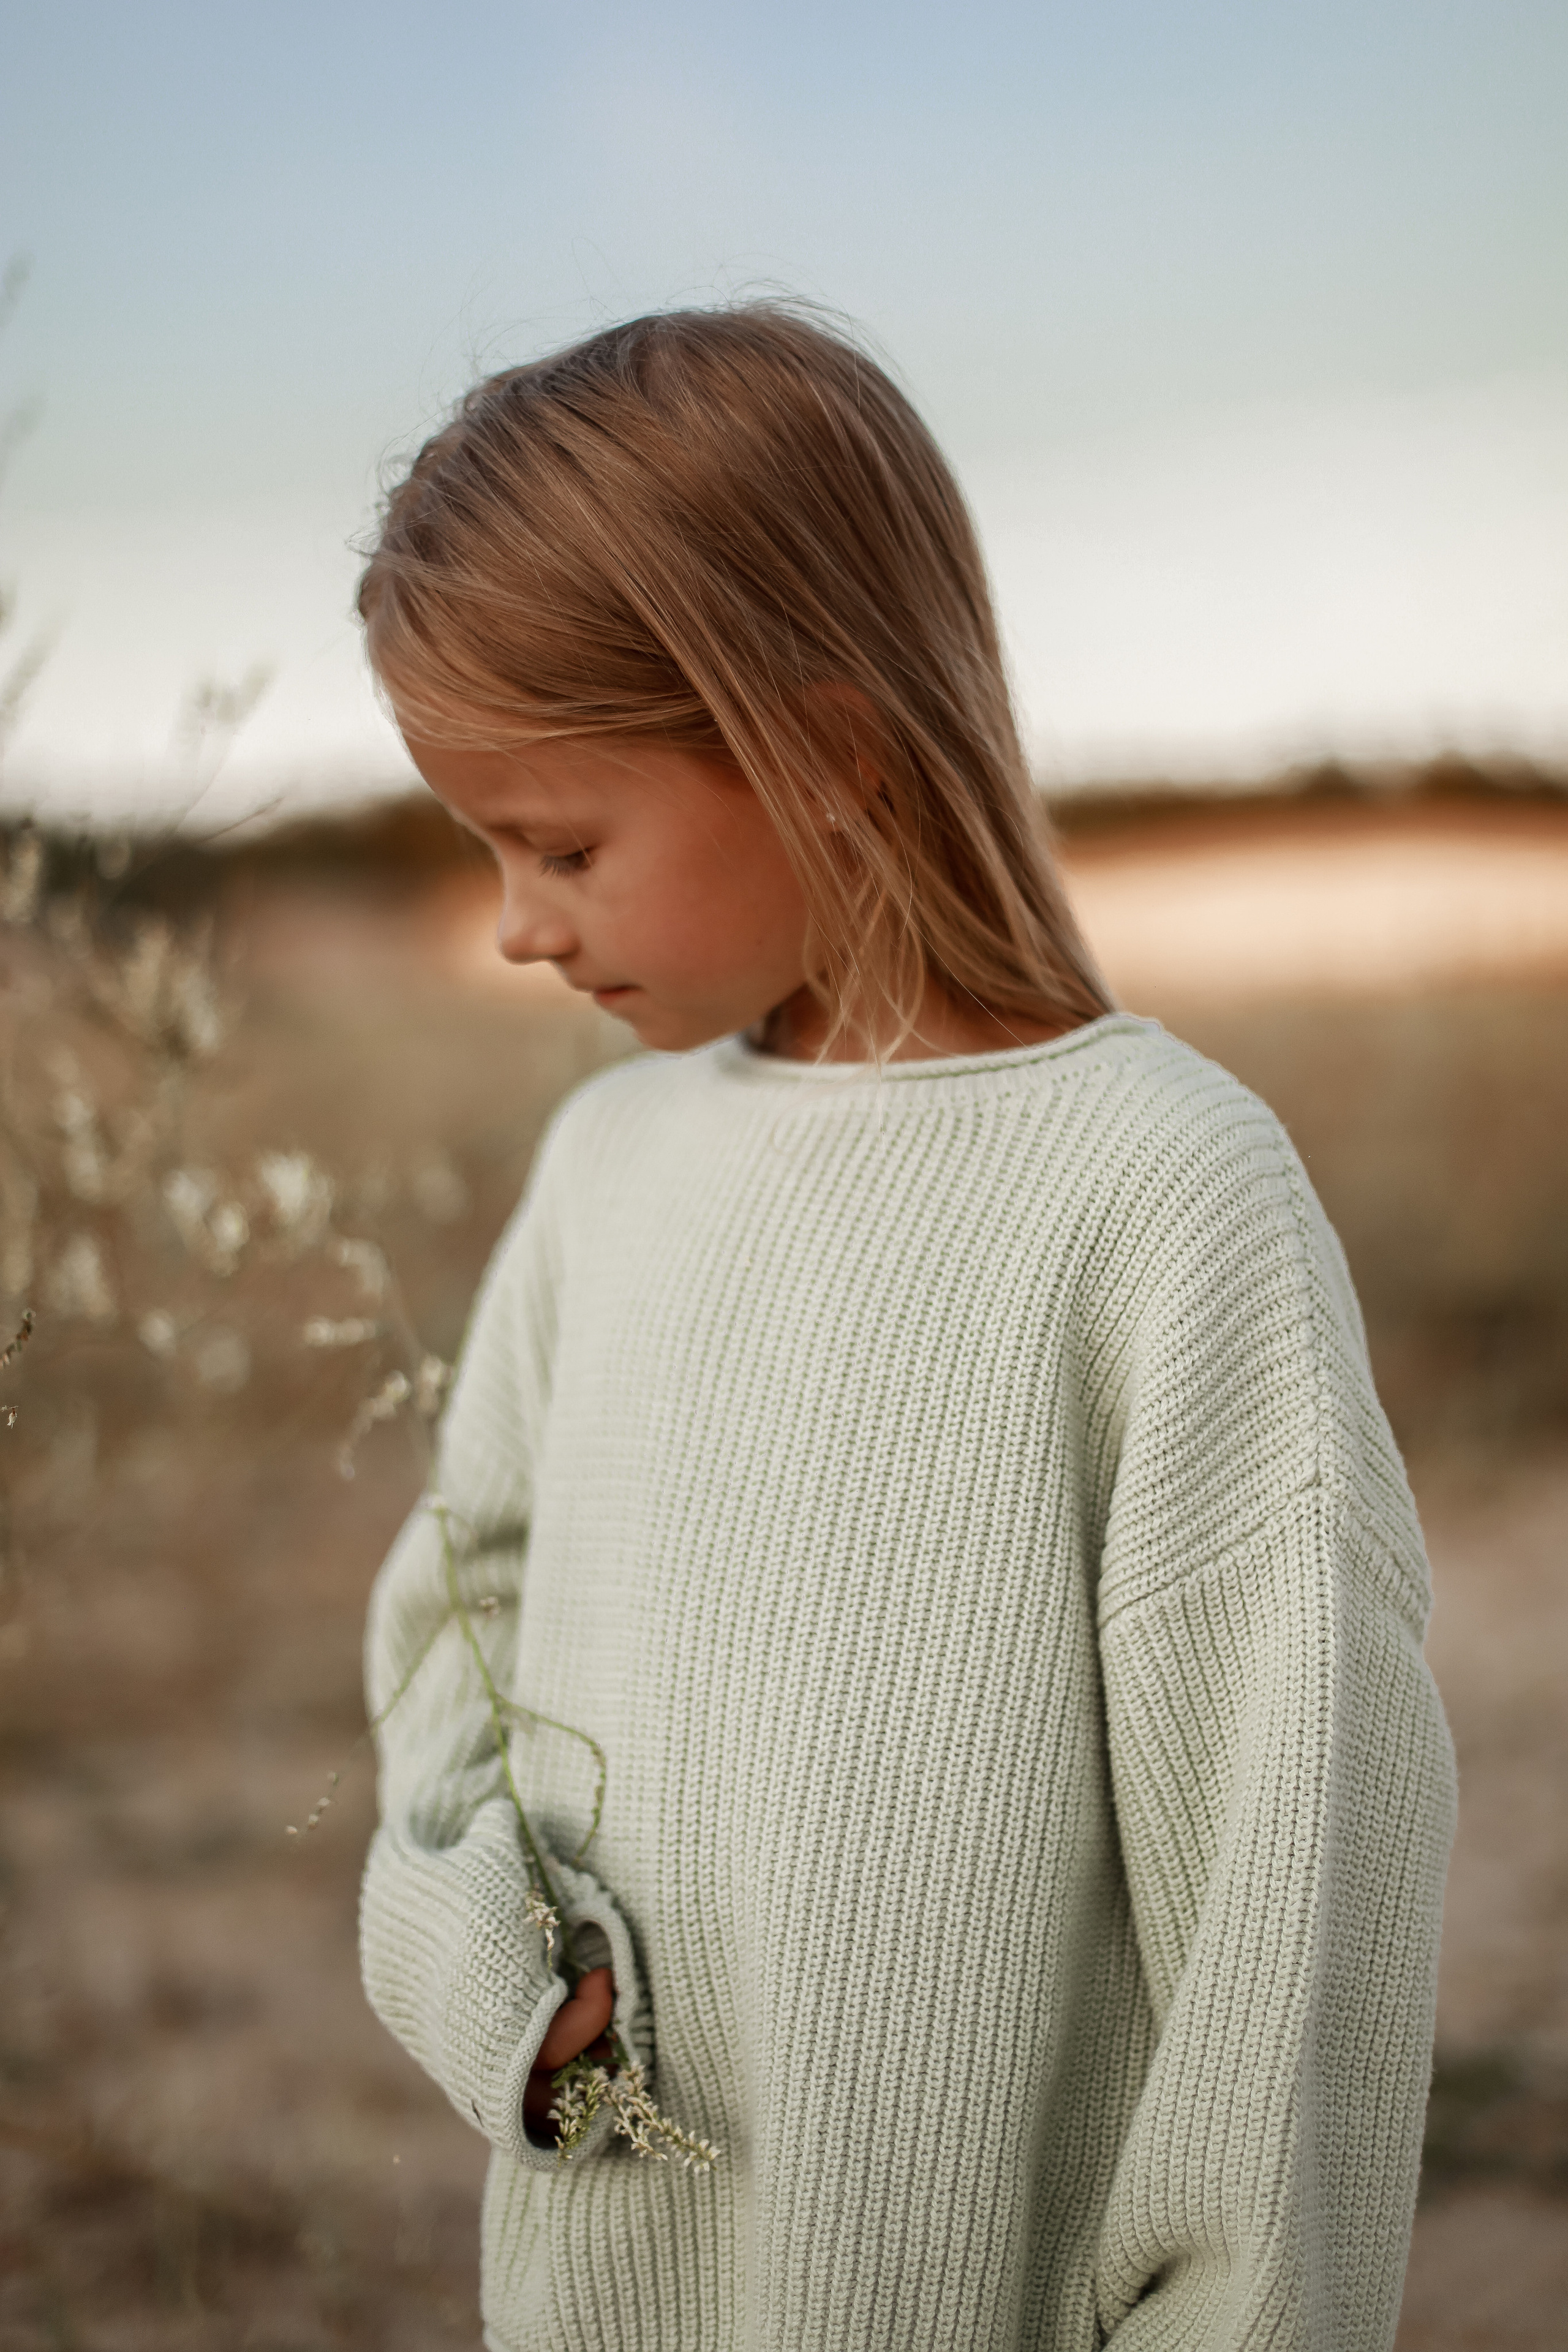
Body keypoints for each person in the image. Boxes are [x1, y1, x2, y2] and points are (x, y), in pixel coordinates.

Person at [354, 303, 1455, 2352]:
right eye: (483, 849)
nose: (515, 921)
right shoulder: (606, 1173)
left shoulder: (1162, 1196)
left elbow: (1293, 1908)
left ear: (833, 753)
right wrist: (493, 1968)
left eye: (563, 844)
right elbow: (451, 1627)